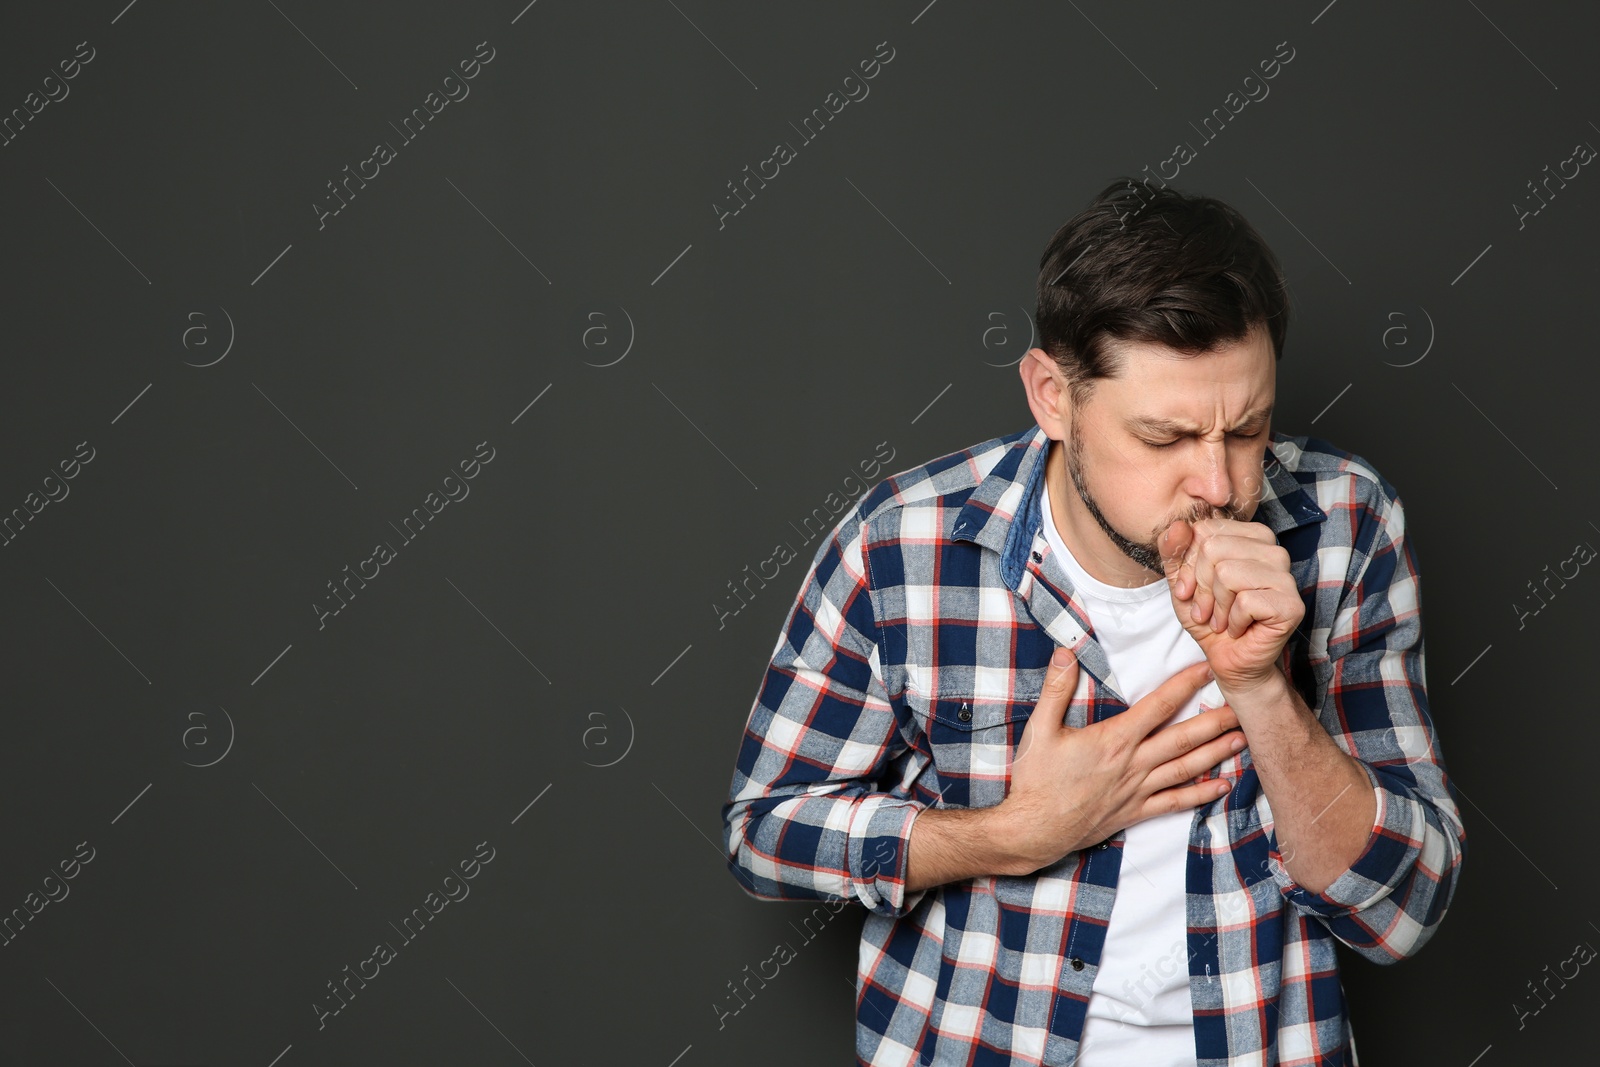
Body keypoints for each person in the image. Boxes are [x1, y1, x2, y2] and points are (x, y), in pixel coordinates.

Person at [718, 177, 1466, 1067]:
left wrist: (1264, 689)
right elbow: (764, 832)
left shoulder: (1345, 525)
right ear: (1052, 396)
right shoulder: (902, 546)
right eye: (1165, 438)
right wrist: (1012, 832)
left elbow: (1403, 910)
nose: (1221, 485)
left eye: (1249, 428)